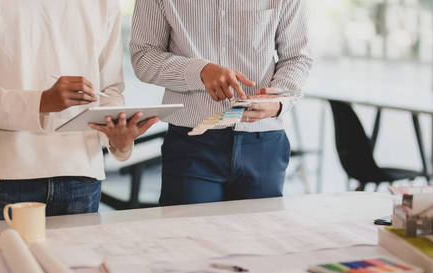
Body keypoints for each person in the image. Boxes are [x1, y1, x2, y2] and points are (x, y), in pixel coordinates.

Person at [0, 0, 157, 219]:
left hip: (82, 174)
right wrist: (41, 102)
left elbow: (109, 90)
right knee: (4, 255)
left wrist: (118, 139)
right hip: (7, 176)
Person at [130, 0, 312, 205]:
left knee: (258, 236)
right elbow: (144, 56)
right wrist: (199, 71)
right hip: (191, 143)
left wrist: (278, 99)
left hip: (264, 143)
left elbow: (297, 57)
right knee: (187, 234)